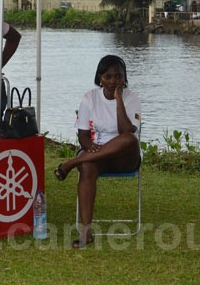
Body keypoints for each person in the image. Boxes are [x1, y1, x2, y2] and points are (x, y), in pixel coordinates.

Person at [54, 55, 142, 249]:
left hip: (124, 158)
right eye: (108, 77)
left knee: (129, 138)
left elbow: (125, 130)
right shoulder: (90, 98)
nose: (113, 81)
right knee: (86, 167)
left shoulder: (131, 98)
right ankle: (86, 231)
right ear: (100, 77)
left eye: (118, 77)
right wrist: (89, 149)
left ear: (124, 78)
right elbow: (83, 136)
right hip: (96, 154)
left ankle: (71, 163)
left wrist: (118, 100)